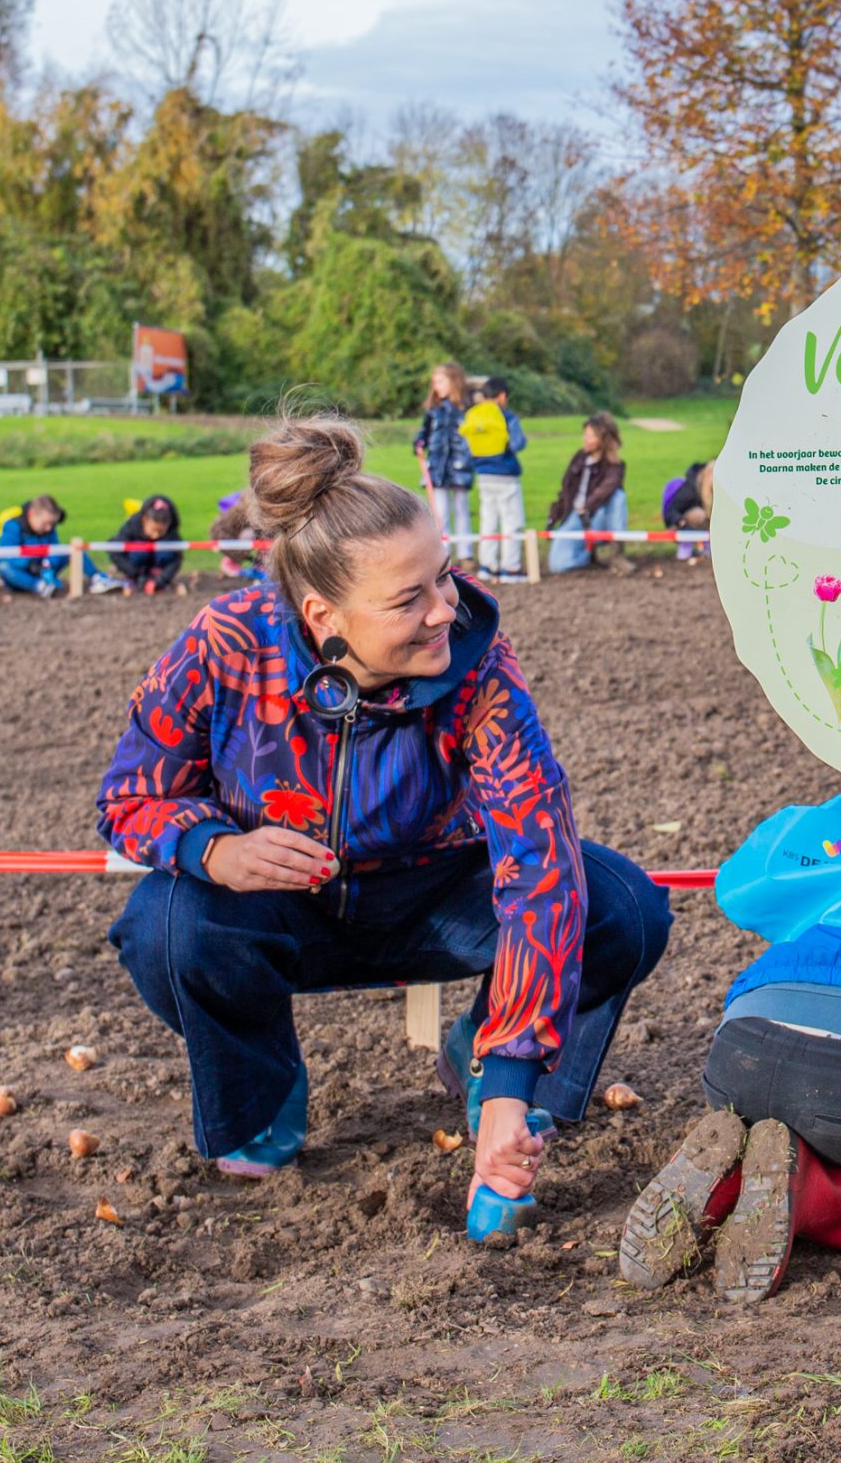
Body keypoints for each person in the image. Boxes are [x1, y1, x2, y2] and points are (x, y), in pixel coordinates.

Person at [97, 414, 671, 1192]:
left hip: (437, 894)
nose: (445, 608)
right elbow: (131, 795)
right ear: (323, 619)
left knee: (623, 910)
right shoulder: (225, 641)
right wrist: (215, 849)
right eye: (410, 598)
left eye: (445, 574)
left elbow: (539, 856)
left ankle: (482, 1048)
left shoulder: (479, 664)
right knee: (163, 924)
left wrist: (510, 1066)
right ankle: (264, 1092)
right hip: (279, 906)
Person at [620, 789, 841, 1303]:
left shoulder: (833, 895)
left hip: (740, 1048)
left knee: (797, 1126)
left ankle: (732, 1184)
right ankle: (811, 1199)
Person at [547, 414, 634, 575]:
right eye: (585, 434)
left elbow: (606, 489)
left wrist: (586, 508)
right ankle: (587, 555)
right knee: (557, 565)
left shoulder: (615, 466)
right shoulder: (578, 458)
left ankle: (618, 556)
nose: (586, 439)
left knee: (618, 496)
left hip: (598, 515)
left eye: (591, 436)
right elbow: (564, 492)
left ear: (604, 439)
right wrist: (553, 517)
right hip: (575, 517)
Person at [463, 377, 530, 578]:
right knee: (511, 521)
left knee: (488, 520)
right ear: (502, 396)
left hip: (483, 475)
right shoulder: (507, 417)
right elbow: (518, 443)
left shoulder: (475, 416)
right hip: (506, 475)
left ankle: (487, 565)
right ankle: (511, 567)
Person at [413, 362, 477, 566]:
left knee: (461, 508)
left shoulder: (467, 408)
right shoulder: (433, 410)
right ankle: (444, 554)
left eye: (440, 381)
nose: (436, 386)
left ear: (454, 381)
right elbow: (425, 432)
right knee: (440, 512)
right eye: (434, 382)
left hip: (460, 465)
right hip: (438, 467)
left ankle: (466, 554)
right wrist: (419, 442)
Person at [0, 496, 98, 597]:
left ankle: (97, 577)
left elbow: (55, 548)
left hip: (45, 569)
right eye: (45, 524)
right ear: (31, 515)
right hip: (23, 573)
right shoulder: (12, 527)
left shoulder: (49, 528)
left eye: (52, 524)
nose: (48, 528)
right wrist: (31, 565)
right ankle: (40, 586)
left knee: (73, 550)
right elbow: (6, 556)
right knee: (4, 567)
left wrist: (48, 564)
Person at [108, 494, 186, 594]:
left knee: (166, 552)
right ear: (144, 519)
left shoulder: (172, 534)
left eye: (161, 532)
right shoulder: (132, 526)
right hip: (135, 567)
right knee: (138, 551)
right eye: (153, 530)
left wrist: (161, 580)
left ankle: (158, 577)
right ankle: (133, 579)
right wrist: (135, 574)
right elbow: (115, 552)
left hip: (159, 572)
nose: (156, 536)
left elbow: (176, 559)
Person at [210, 491, 267, 581]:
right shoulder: (248, 510)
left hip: (234, 533)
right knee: (253, 535)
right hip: (228, 537)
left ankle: (258, 567)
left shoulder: (248, 503)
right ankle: (232, 566)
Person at [666, 462, 712, 564]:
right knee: (699, 515)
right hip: (680, 525)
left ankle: (707, 548)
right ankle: (686, 546)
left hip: (701, 528)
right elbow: (671, 511)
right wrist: (680, 521)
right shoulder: (689, 490)